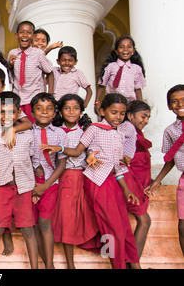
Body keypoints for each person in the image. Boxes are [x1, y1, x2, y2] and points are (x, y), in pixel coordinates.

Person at [41, 93, 141, 269]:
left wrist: (126, 190)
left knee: (123, 227)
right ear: (102, 111)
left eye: (122, 114)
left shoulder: (119, 134)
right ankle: (117, 265)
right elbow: (79, 151)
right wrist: (63, 149)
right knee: (111, 228)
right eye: (113, 112)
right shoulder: (93, 129)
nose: (118, 117)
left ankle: (131, 264)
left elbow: (117, 166)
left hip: (113, 182)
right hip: (96, 181)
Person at [0, 91, 38, 269]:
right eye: (2, 112)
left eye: (11, 112)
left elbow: (33, 160)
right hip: (1, 188)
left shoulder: (28, 134)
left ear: (18, 113)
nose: (6, 116)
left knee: (28, 229)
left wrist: (36, 187)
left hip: (23, 188)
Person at [51, 94, 99, 269]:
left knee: (87, 215)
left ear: (81, 110)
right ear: (60, 111)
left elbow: (89, 153)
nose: (71, 112)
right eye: (67, 108)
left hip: (84, 176)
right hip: (64, 177)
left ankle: (101, 249)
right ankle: (70, 264)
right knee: (67, 219)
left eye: (76, 108)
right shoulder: (55, 131)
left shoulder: (87, 130)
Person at [146, 84, 184, 256]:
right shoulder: (170, 130)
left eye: (183, 100)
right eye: (174, 101)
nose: (179, 104)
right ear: (169, 106)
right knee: (182, 226)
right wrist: (157, 180)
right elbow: (170, 159)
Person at [30, 93, 67, 269]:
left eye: (49, 109)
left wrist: (45, 185)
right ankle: (43, 261)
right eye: (39, 108)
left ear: (54, 113)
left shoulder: (60, 133)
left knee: (45, 222)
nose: (44, 112)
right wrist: (33, 187)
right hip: (30, 183)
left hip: (50, 183)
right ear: (32, 112)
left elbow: (62, 164)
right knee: (34, 223)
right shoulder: (27, 131)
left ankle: (49, 265)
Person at [7, 21, 54, 123]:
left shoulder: (39, 54)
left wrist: (50, 95)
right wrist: (10, 65)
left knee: (34, 128)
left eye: (28, 32)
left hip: (34, 99)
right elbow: (11, 78)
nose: (24, 35)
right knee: (20, 128)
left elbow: (50, 71)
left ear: (33, 36)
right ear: (16, 35)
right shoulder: (12, 53)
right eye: (21, 32)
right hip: (18, 99)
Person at [122, 100, 152, 257]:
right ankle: (133, 263)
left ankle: (131, 262)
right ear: (130, 116)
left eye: (148, 117)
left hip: (136, 185)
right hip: (129, 185)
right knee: (145, 221)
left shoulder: (136, 132)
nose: (146, 121)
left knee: (143, 222)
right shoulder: (127, 129)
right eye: (143, 116)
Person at [95, 35, 146, 115]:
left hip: (130, 105)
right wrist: (97, 102)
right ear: (116, 51)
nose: (125, 49)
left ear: (133, 50)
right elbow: (101, 85)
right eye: (121, 47)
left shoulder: (136, 69)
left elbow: (138, 89)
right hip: (112, 103)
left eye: (129, 47)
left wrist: (141, 106)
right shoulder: (110, 66)